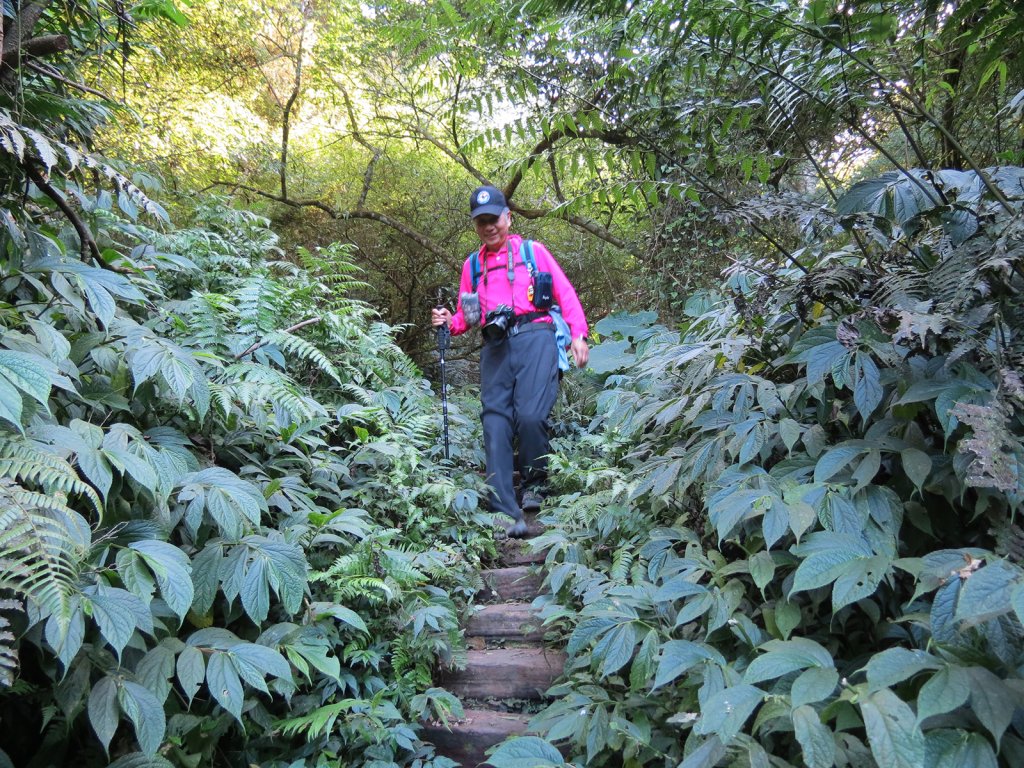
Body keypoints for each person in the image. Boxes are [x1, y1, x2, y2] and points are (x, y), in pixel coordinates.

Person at [432, 186, 589, 537]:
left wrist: (578, 334)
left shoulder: (533, 252)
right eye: (481, 222)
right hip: (496, 342)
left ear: (508, 217)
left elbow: (565, 293)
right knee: (495, 422)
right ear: (476, 225)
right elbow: (466, 317)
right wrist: (448, 321)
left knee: (532, 415)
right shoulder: (472, 266)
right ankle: (505, 508)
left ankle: (535, 481)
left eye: (494, 219)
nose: (489, 227)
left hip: (537, 335)